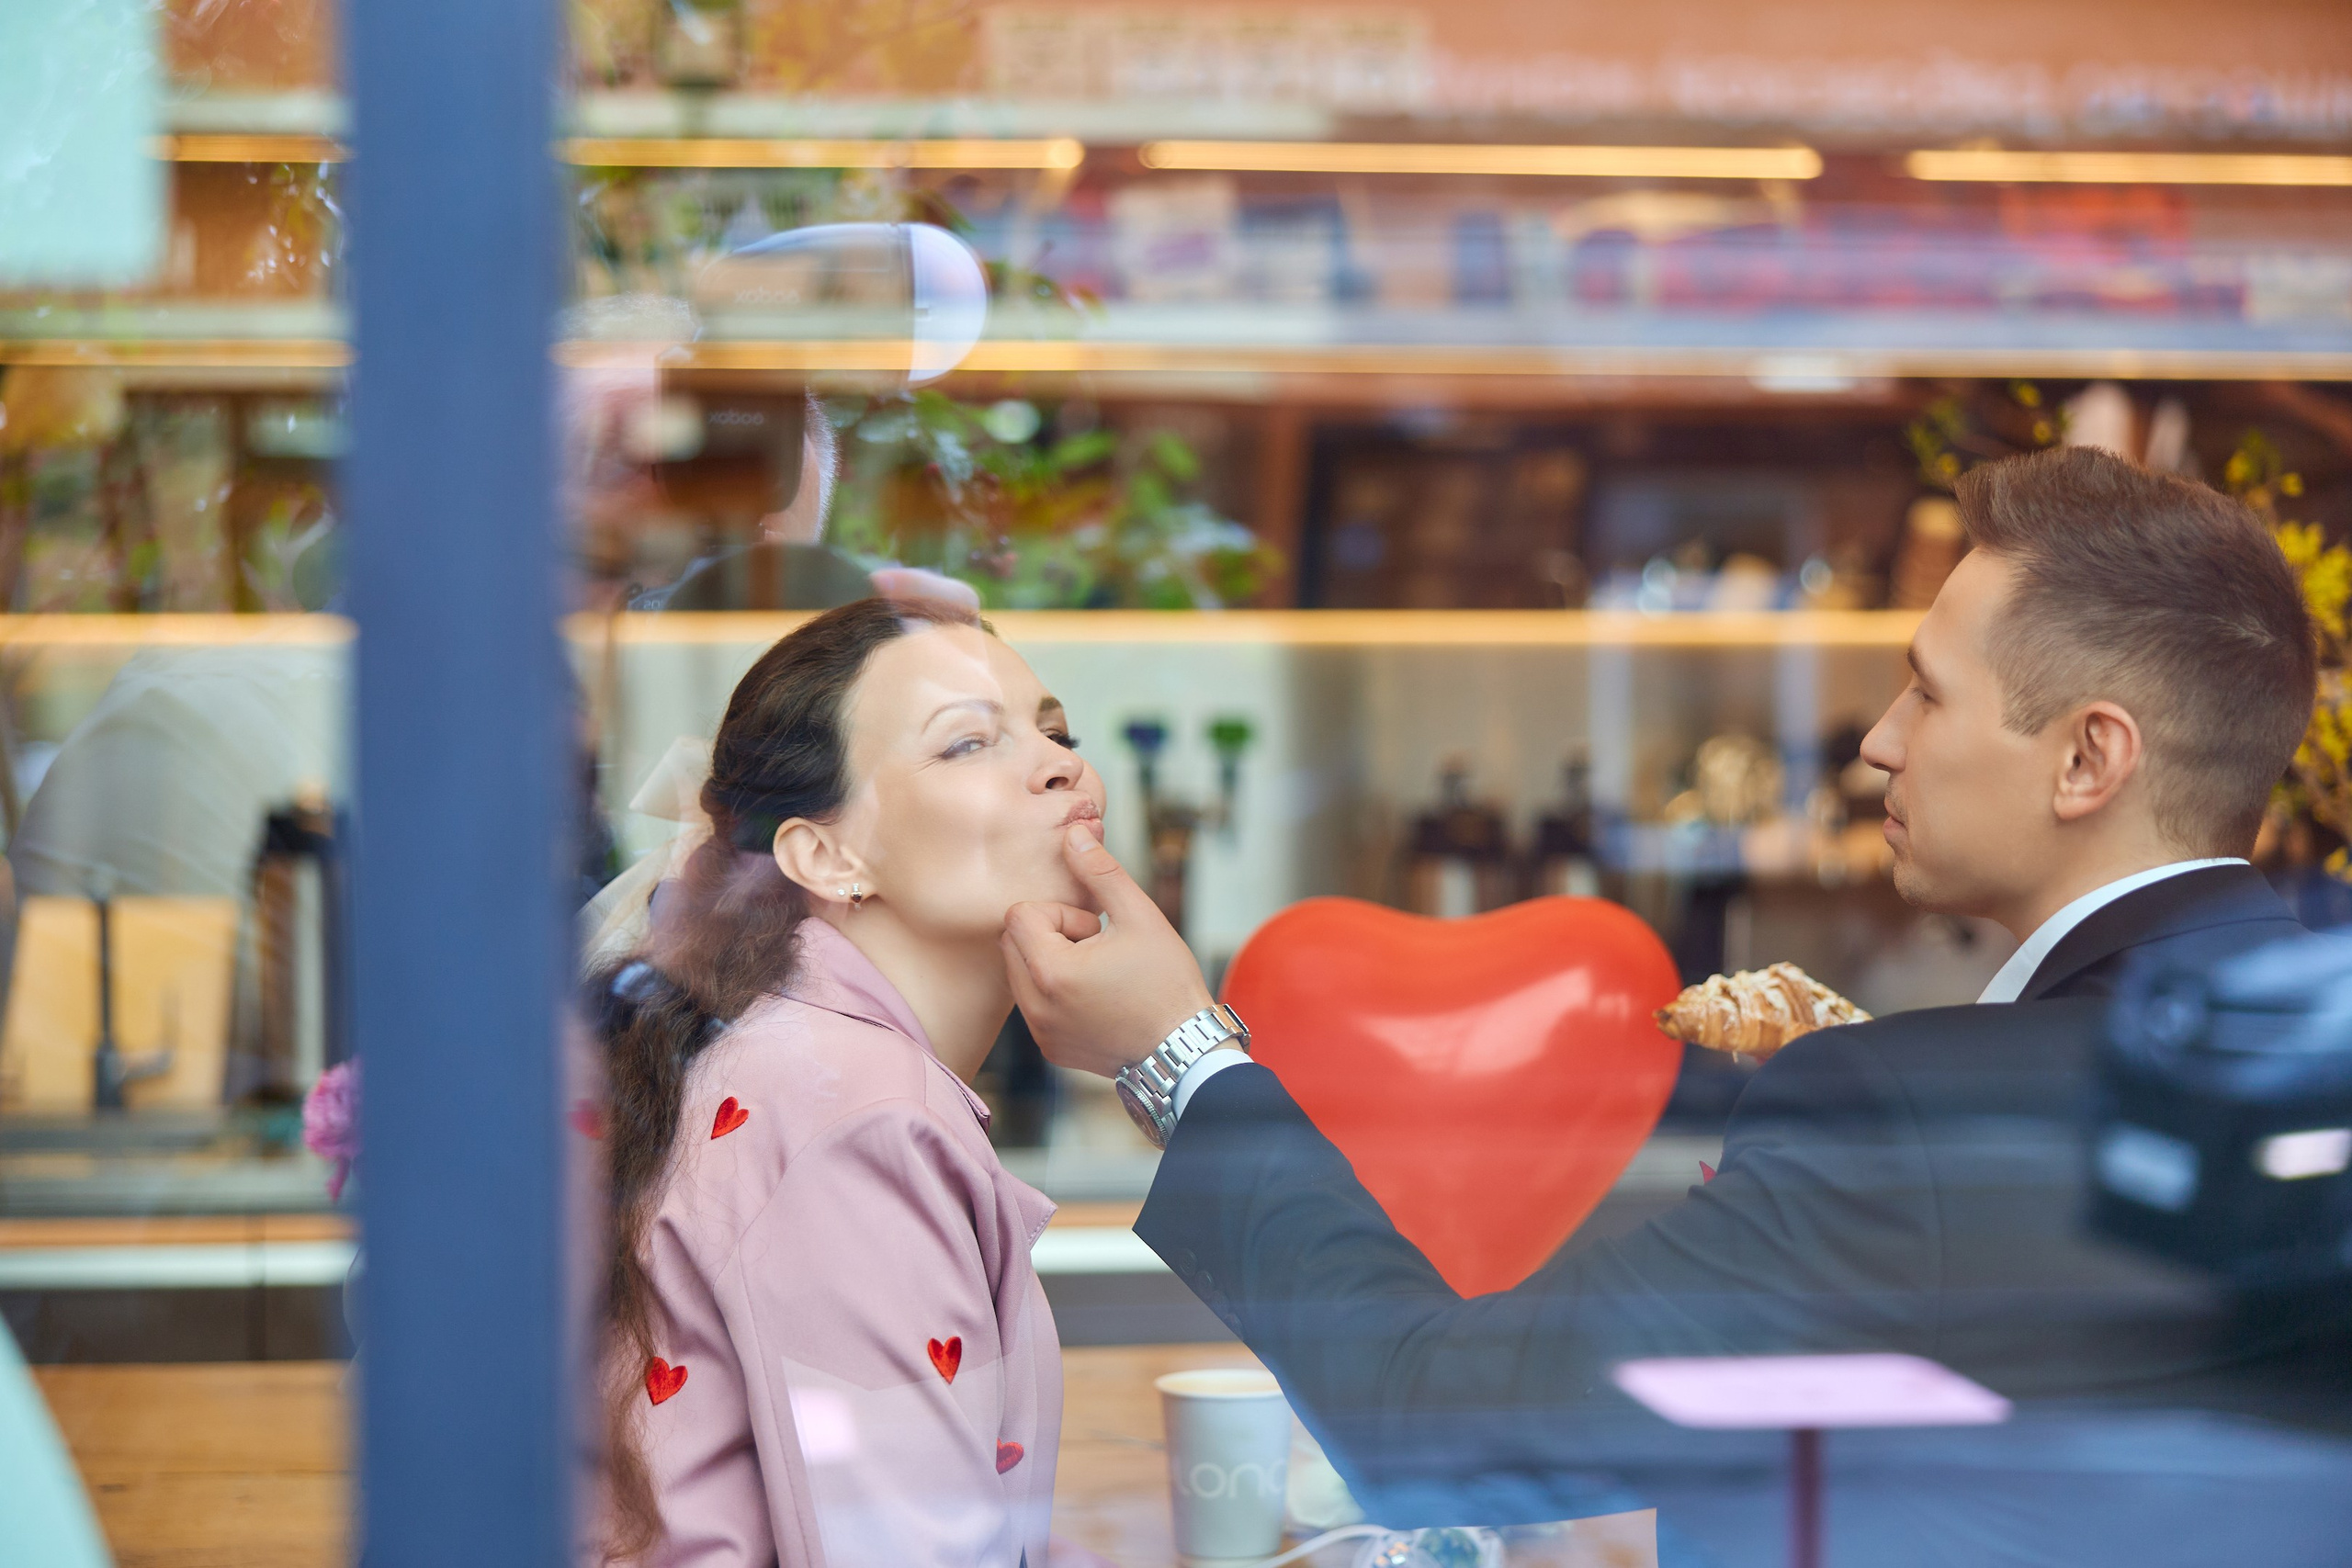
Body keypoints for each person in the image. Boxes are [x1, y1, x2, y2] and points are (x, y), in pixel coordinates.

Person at [1001, 446, 2347, 1562]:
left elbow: (1437, 1420)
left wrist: (1175, 1055)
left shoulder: (1912, 1109)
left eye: (1929, 691)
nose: (1878, 736)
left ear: (2088, 757)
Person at [587, 596, 1106, 1566]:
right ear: (824, 856)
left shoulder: (798, 1062)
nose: (1062, 763)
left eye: (1055, 731)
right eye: (967, 744)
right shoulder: (854, 1115)